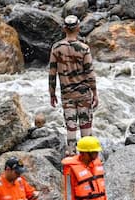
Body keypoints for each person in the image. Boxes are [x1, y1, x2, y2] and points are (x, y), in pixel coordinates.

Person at [49, 15, 98, 155]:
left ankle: (71, 155)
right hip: (83, 94)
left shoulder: (56, 48)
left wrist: (52, 93)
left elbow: (52, 73)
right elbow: (90, 73)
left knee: (71, 127)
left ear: (64, 28)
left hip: (66, 94)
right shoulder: (84, 48)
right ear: (78, 27)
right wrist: (95, 93)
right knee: (86, 126)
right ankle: (86, 157)